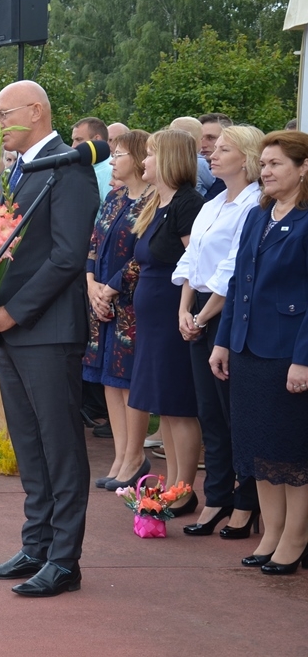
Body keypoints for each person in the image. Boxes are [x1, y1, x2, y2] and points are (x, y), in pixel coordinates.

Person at [0, 81, 100, 597]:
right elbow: (3, 250)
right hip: (16, 329)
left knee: (59, 444)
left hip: (47, 330)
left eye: (4, 114)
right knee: (29, 443)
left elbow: (67, 256)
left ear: (37, 111)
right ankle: (37, 544)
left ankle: (65, 558)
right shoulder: (23, 170)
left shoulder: (69, 167)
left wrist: (11, 313)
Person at [210, 130, 308, 575]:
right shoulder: (258, 216)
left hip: (286, 351)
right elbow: (236, 284)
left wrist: (303, 358)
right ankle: (271, 531)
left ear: (303, 169)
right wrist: (223, 340)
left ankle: (295, 536)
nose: (265, 171)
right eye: (264, 164)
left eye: (276, 164)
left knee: (288, 452)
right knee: (258, 449)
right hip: (248, 346)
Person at [173, 124, 264, 537]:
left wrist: (203, 316)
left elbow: (232, 269)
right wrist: (184, 310)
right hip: (198, 314)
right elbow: (192, 260)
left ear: (245, 158)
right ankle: (217, 497)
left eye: (223, 149)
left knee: (234, 414)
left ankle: (246, 502)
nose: (212, 154)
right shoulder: (212, 203)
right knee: (209, 412)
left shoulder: (253, 204)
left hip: (225, 316)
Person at [127, 130, 204, 512]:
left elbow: (195, 263)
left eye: (151, 154)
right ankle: (172, 485)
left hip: (173, 310)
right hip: (152, 312)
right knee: (164, 406)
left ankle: (184, 490)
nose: (144, 162)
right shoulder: (158, 202)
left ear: (169, 159)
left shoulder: (188, 203)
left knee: (178, 403)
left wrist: (185, 309)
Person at [84, 130, 153, 490]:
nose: (113, 160)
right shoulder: (113, 198)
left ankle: (135, 456)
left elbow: (142, 256)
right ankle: (120, 455)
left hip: (130, 302)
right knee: (109, 380)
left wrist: (110, 288)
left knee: (128, 381)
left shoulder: (153, 202)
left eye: (120, 154)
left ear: (141, 159)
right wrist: (92, 284)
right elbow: (94, 243)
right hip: (103, 299)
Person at [71, 117, 113, 201]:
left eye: (79, 139)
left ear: (97, 139)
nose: (73, 146)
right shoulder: (81, 168)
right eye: (73, 140)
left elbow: (111, 210)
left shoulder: (110, 171)